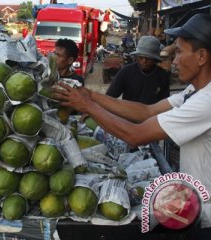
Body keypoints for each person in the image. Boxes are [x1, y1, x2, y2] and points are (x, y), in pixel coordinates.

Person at [53, 13, 211, 238]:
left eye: (179, 52)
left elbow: (135, 134)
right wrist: (91, 96)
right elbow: (146, 111)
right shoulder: (193, 92)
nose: (174, 61)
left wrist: (87, 106)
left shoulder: (207, 101)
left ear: (202, 56)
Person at [106, 35, 170, 104]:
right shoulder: (126, 72)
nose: (144, 61)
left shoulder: (162, 76)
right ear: (136, 56)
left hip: (153, 114)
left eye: (148, 58)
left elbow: (165, 104)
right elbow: (109, 97)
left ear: (154, 59)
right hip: (128, 113)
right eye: (141, 57)